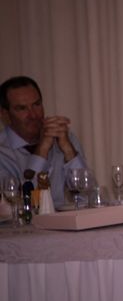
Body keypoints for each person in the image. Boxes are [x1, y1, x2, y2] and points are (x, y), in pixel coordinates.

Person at [0, 76, 88, 209]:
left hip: (62, 224)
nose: (34, 115)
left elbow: (87, 198)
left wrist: (68, 150)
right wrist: (42, 150)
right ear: (5, 114)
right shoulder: (2, 151)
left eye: (36, 104)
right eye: (22, 108)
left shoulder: (64, 137)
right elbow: (20, 205)